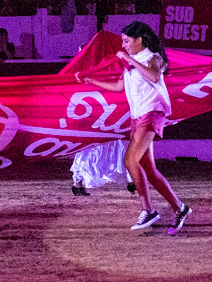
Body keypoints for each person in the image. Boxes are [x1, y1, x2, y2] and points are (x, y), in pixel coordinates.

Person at [76, 21, 191, 233]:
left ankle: (148, 209)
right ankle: (180, 208)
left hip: (152, 112)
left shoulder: (152, 57)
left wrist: (129, 60)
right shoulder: (133, 62)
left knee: (130, 160)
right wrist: (90, 80)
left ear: (139, 40)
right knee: (148, 168)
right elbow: (119, 86)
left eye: (127, 41)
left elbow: (154, 76)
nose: (123, 45)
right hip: (138, 117)